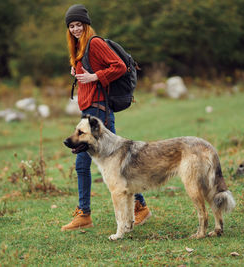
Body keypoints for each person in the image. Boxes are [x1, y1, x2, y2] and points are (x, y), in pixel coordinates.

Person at [61, 4, 151, 231]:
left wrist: (94, 76)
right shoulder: (80, 48)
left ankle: (87, 213)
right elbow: (90, 74)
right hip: (89, 111)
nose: (75, 29)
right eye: (71, 26)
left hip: (99, 112)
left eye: (78, 24)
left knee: (89, 163)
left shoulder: (95, 43)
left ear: (86, 24)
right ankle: (136, 206)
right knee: (108, 162)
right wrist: (78, 70)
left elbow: (118, 66)